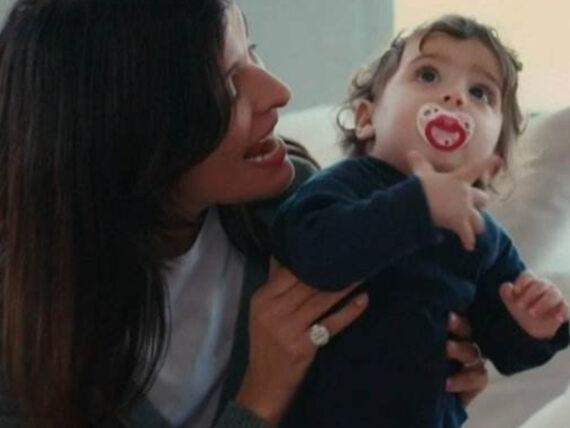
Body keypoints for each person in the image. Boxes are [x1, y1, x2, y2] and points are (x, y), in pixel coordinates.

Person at [0, 1, 489, 427]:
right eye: (228, 84)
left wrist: (435, 390)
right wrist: (261, 397)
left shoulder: (300, 210)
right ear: (127, 129)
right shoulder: (20, 332)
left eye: (251, 51)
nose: (278, 92)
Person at [272, 15, 570, 428]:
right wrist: (416, 207)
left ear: (497, 155)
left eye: (480, 92)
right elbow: (310, 249)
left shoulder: (483, 236)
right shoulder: (348, 186)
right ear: (367, 118)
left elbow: (501, 347)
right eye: (428, 75)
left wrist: (532, 326)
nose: (455, 97)